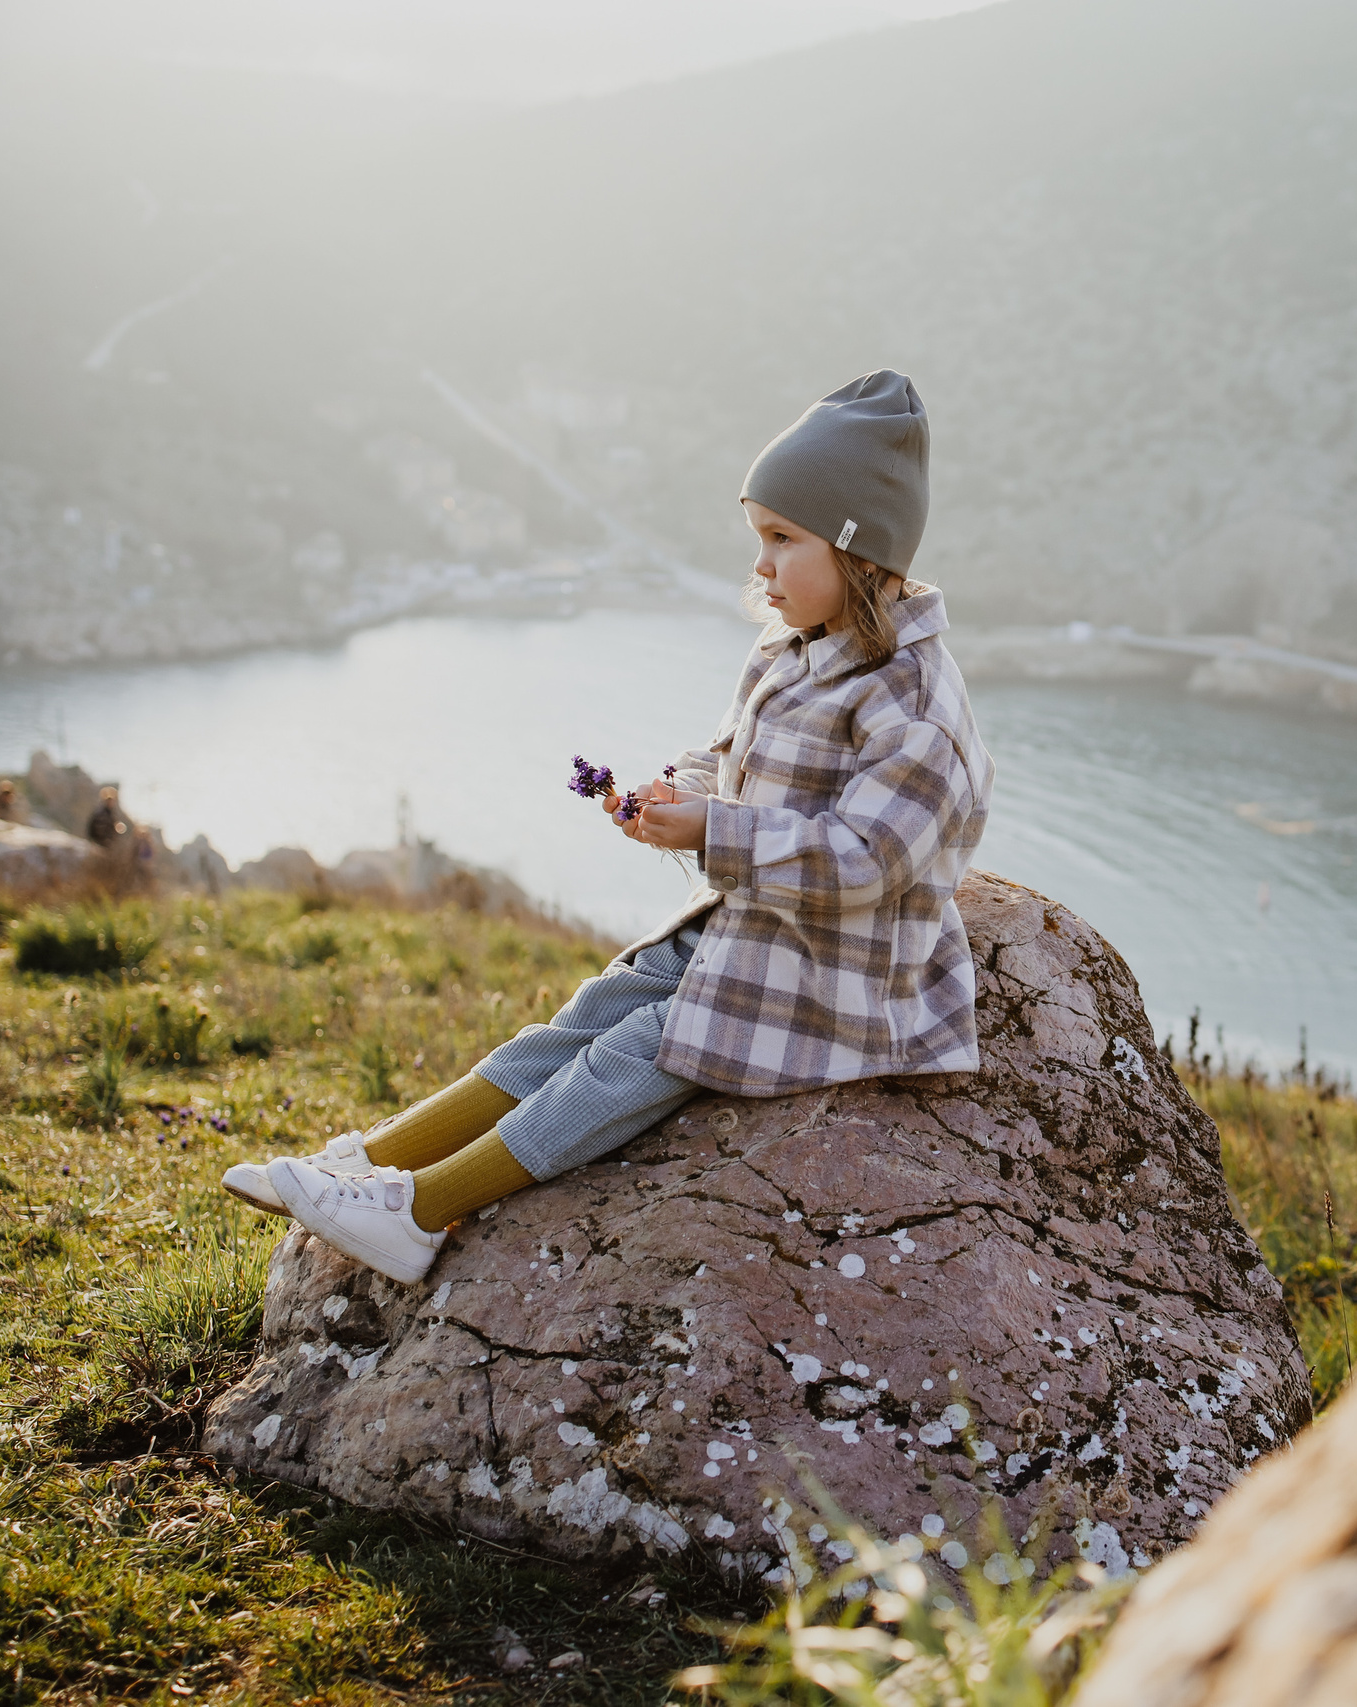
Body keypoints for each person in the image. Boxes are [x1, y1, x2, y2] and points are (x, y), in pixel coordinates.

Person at [221, 371, 992, 1285]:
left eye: (783, 538)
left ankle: (420, 1212)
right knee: (586, 1015)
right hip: (762, 929)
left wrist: (714, 831)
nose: (761, 566)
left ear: (859, 546)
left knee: (641, 1049)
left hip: (847, 972)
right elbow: (730, 754)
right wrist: (682, 791)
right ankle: (375, 1161)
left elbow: (865, 860)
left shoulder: (917, 706)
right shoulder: (796, 645)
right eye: (759, 538)